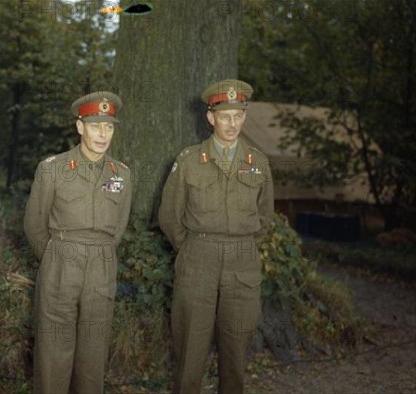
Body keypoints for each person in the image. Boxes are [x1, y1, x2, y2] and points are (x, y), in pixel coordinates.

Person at [158, 80, 274, 394]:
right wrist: (192, 247)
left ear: (244, 117)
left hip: (242, 263)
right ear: (211, 118)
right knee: (190, 350)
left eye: (238, 115)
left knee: (236, 353)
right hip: (198, 258)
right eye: (225, 116)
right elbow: (169, 215)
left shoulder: (258, 163)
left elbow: (264, 219)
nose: (232, 123)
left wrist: (241, 245)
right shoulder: (189, 160)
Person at [24, 91, 132, 393]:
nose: (103, 134)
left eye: (109, 127)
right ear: (80, 127)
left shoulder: (122, 174)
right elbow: (34, 224)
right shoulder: (53, 168)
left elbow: (118, 226)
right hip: (60, 261)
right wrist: (53, 257)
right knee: (52, 354)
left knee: (93, 354)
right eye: (96, 126)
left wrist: (99, 254)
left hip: (101, 265)